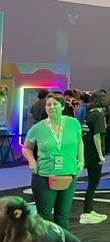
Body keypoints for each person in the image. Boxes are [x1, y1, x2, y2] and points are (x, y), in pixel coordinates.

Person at [21, 93, 83, 229]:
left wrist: (81, 162)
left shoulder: (73, 123)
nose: (52, 107)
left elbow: (80, 143)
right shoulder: (37, 128)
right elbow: (26, 148)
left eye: (55, 104)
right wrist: (32, 161)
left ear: (62, 106)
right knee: (45, 218)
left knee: (62, 217)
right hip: (44, 176)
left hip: (68, 174)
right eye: (48, 104)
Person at [80, 93, 108, 225]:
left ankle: (89, 210)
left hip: (86, 151)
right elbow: (97, 136)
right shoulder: (99, 115)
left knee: (92, 183)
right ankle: (87, 212)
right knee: (93, 183)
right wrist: (101, 155)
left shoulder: (89, 114)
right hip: (94, 154)